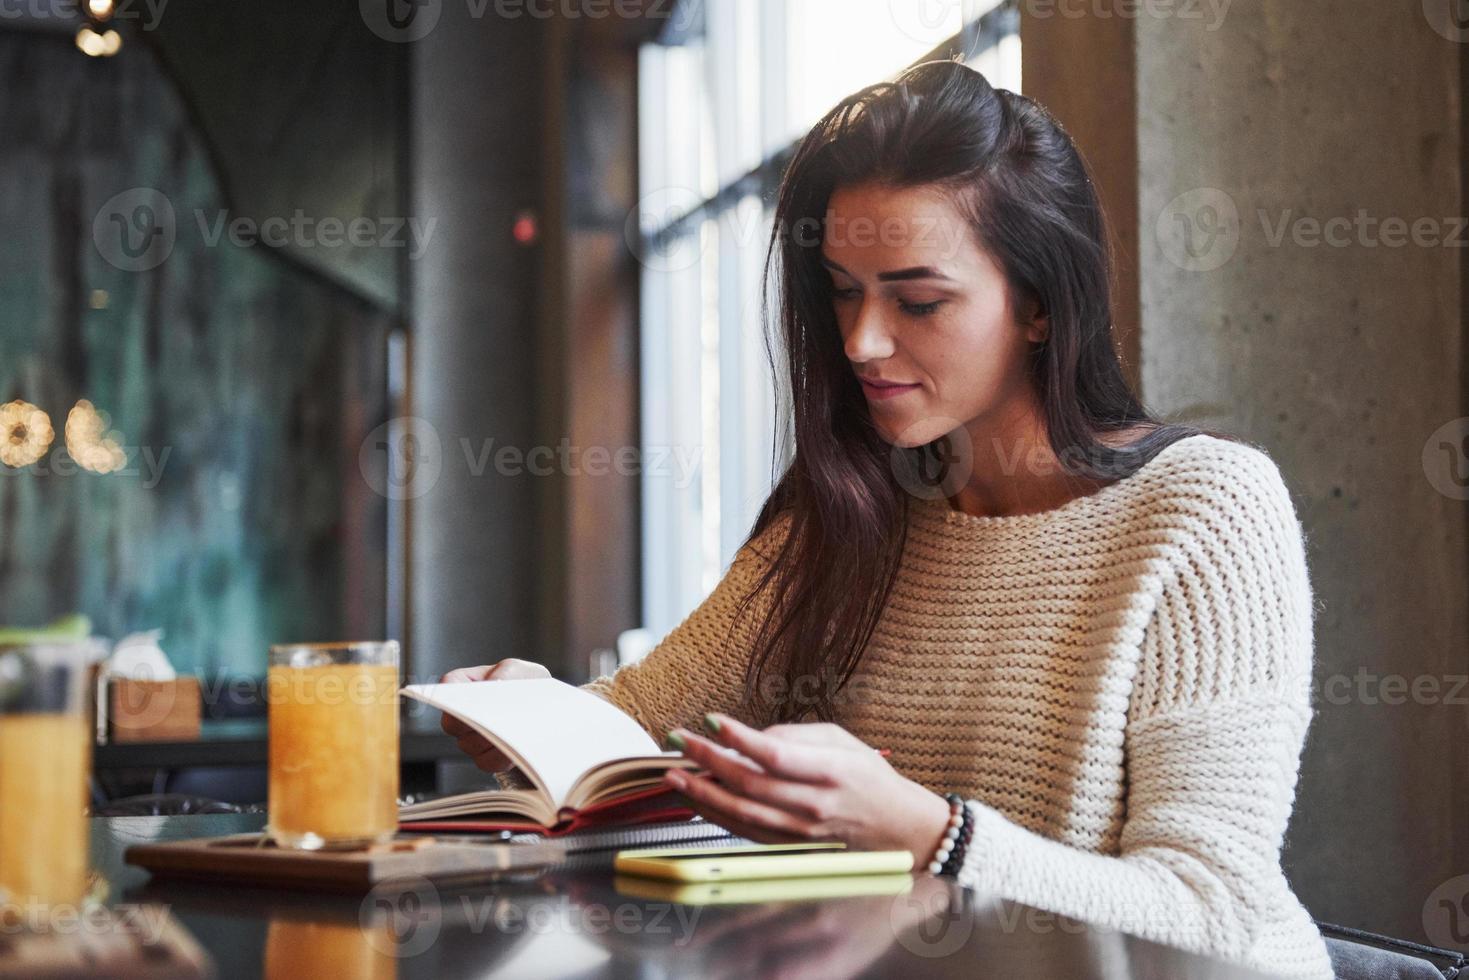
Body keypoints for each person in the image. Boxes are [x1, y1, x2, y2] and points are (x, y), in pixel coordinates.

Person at [441, 60, 1333, 979]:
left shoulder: (1204, 509)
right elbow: (636, 720)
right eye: (840, 290)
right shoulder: (847, 509)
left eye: (918, 301)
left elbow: (1212, 912)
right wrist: (533, 718)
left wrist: (931, 833)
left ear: (1036, 304)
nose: (862, 341)